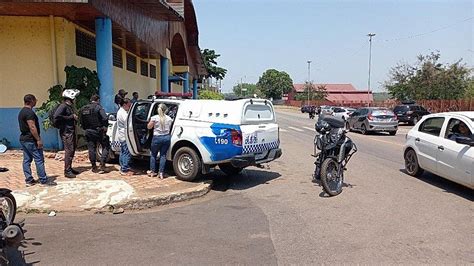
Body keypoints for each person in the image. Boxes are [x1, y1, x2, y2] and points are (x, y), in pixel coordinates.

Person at [18, 94, 53, 186]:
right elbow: (32, 127)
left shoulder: (21, 112)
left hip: (24, 139)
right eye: (35, 100)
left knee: (26, 160)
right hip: (31, 140)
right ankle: (43, 180)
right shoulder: (29, 113)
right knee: (39, 159)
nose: (36, 101)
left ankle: (29, 180)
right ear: (31, 101)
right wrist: (38, 139)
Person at [79, 94, 110, 174]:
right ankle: (102, 164)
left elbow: (81, 121)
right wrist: (105, 126)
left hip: (88, 131)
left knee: (91, 148)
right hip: (98, 130)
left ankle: (94, 166)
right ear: (98, 100)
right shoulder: (98, 107)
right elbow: (105, 118)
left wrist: (85, 128)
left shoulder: (83, 109)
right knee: (106, 145)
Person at [53, 89, 80, 178]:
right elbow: (56, 116)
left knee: (72, 150)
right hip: (66, 132)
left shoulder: (69, 107)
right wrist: (70, 117)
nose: (75, 100)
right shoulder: (63, 106)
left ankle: (69, 168)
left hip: (70, 131)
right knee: (69, 150)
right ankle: (67, 171)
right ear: (70, 98)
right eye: (74, 98)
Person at [147, 104, 173, 179]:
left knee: (153, 155)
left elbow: (149, 127)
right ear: (165, 110)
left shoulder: (154, 118)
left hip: (157, 138)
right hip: (166, 137)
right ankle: (161, 173)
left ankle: (152, 171)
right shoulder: (169, 118)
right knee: (163, 155)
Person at [117, 98, 133, 176]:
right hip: (124, 135)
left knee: (123, 151)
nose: (129, 107)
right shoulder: (123, 113)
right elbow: (128, 122)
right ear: (124, 105)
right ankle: (124, 169)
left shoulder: (121, 111)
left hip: (122, 135)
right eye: (129, 105)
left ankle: (122, 166)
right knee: (126, 152)